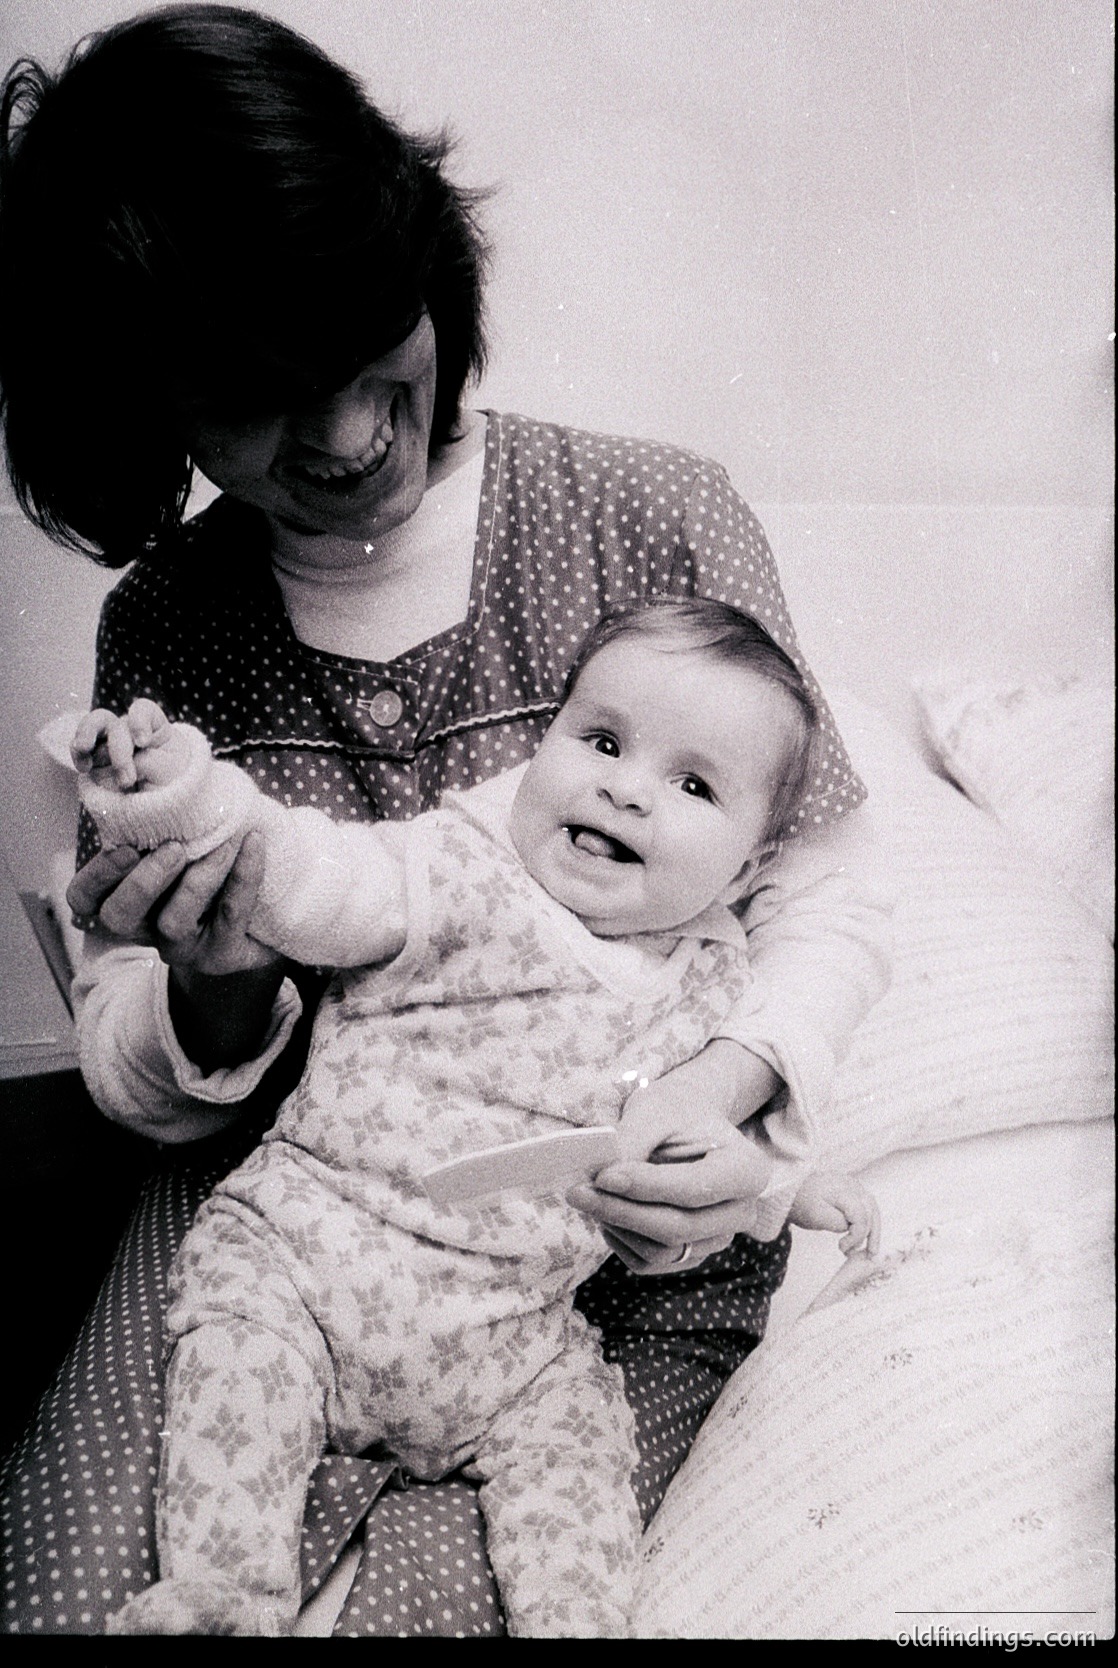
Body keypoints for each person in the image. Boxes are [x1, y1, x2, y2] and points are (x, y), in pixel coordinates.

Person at [0, 5, 893, 1637]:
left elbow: (822, 888)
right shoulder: (165, 634)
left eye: (363, 345)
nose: (344, 437)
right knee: (72, 1589)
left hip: (605, 1248)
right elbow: (135, 1060)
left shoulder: (657, 515)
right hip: (294, 1212)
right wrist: (209, 989)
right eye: (251, 396)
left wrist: (730, 1090)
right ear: (150, 416)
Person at [72, 599, 882, 1637]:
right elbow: (297, 867)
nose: (624, 788)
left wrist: (787, 1188)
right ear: (538, 747)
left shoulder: (709, 990)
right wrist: (187, 796)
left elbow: (683, 1146)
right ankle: (225, 1599)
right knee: (234, 1376)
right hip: (305, 1262)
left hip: (505, 1343)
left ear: (748, 866)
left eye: (690, 784)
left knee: (579, 1450)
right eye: (599, 740)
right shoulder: (446, 870)